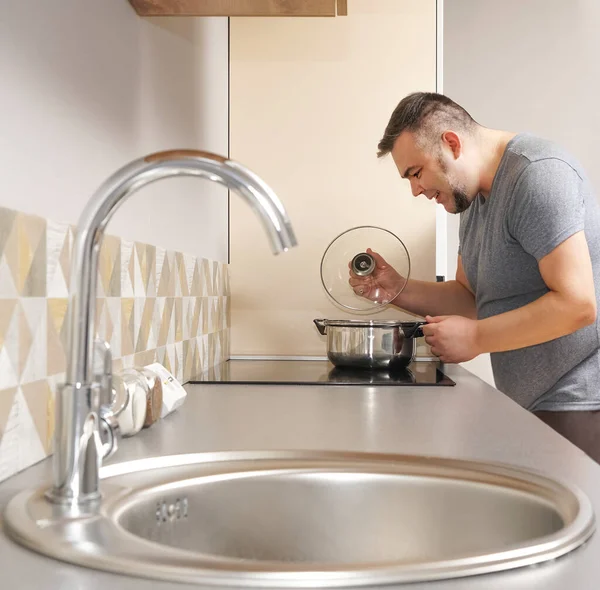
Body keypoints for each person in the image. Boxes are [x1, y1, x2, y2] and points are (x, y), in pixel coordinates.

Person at [349, 92, 600, 461]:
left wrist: (477, 338)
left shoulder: (537, 175)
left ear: (451, 143)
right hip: (530, 403)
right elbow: (471, 299)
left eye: (416, 173)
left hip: (578, 405)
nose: (415, 190)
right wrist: (396, 288)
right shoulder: (473, 199)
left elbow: (577, 305)